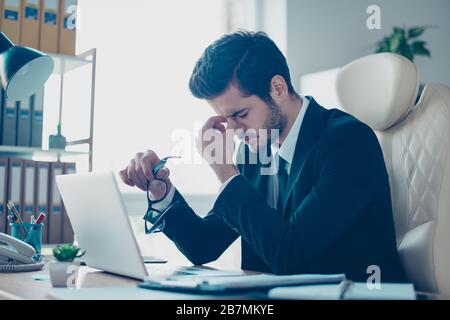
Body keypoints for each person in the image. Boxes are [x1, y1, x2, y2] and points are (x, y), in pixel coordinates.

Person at [119, 31, 406, 282]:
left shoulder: (347, 142)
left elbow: (292, 258)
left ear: (278, 88)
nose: (231, 129)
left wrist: (225, 172)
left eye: (240, 114)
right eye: (223, 118)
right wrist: (161, 190)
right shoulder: (255, 151)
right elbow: (203, 245)